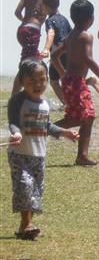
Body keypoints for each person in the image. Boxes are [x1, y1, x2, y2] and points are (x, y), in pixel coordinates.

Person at [7, 60, 79, 240]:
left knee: (35, 189)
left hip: (39, 156)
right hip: (20, 154)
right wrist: (16, 134)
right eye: (32, 82)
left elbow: (47, 126)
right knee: (25, 186)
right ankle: (28, 224)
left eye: (42, 80)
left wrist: (65, 133)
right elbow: (13, 122)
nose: (38, 85)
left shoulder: (45, 103)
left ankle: (25, 226)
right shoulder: (18, 100)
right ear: (22, 81)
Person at [52, 0, 99, 166]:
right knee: (82, 117)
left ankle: (82, 156)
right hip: (77, 83)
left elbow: (53, 56)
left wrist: (63, 74)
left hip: (71, 81)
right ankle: (47, 128)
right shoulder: (86, 36)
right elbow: (88, 59)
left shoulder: (70, 36)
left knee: (87, 117)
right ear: (91, 19)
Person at [12, 0, 53, 93]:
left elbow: (17, 12)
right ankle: (16, 95)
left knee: (32, 59)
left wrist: (26, 21)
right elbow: (52, 11)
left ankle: (28, 91)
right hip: (33, 31)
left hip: (22, 30)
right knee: (27, 63)